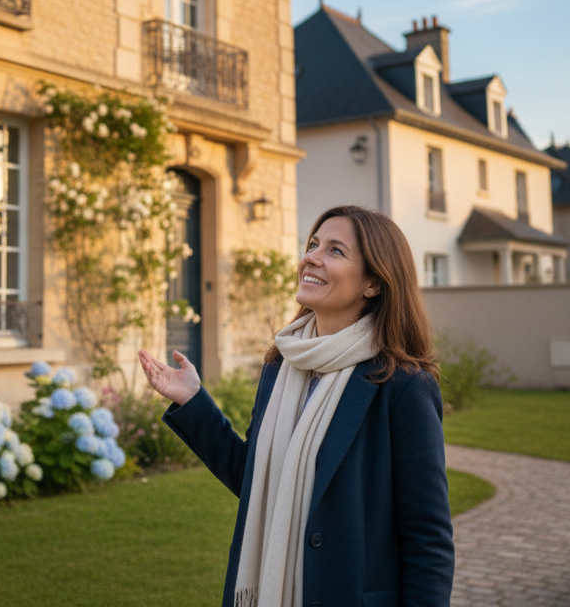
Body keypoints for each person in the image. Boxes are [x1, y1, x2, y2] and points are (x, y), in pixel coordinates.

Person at [138, 205, 454, 607]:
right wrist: (193, 401)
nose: (312, 257)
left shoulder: (403, 386)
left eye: (336, 251)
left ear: (373, 283)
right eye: (313, 244)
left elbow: (428, 539)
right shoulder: (281, 366)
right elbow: (255, 479)